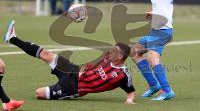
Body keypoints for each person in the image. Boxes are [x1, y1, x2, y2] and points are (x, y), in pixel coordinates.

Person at [4, 20, 136, 104]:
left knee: (39, 93)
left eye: (114, 51)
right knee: (46, 54)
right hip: (73, 70)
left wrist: (129, 101)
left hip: (72, 88)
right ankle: (13, 38)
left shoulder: (123, 75)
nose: (110, 52)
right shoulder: (107, 58)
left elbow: (131, 91)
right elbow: (93, 66)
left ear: (120, 57)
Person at [130, 0, 175, 101]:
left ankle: (167, 90)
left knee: (152, 57)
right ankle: (154, 85)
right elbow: (162, 5)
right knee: (135, 51)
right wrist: (153, 13)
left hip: (163, 30)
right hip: (156, 29)